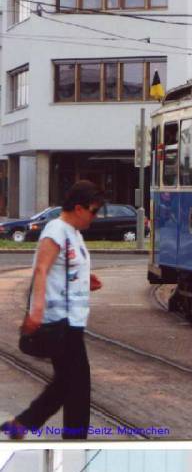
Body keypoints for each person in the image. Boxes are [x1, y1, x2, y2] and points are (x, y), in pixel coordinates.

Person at [2, 181, 104, 442]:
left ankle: (23, 424)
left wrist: (85, 279)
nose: (95, 217)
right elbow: (41, 269)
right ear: (78, 208)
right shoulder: (56, 230)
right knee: (77, 385)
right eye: (93, 211)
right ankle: (70, 439)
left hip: (72, 320)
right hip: (59, 320)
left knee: (69, 383)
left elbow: (65, 269)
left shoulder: (73, 233)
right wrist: (36, 311)